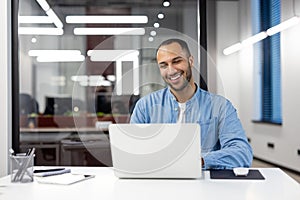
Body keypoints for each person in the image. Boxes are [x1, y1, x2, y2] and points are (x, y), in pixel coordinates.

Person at [130, 38, 253, 169]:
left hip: (203, 184)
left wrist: (198, 161)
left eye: (176, 61)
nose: (171, 71)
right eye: (164, 65)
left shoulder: (220, 107)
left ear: (190, 61)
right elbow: (132, 151)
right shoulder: (144, 107)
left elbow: (242, 153)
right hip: (159, 182)